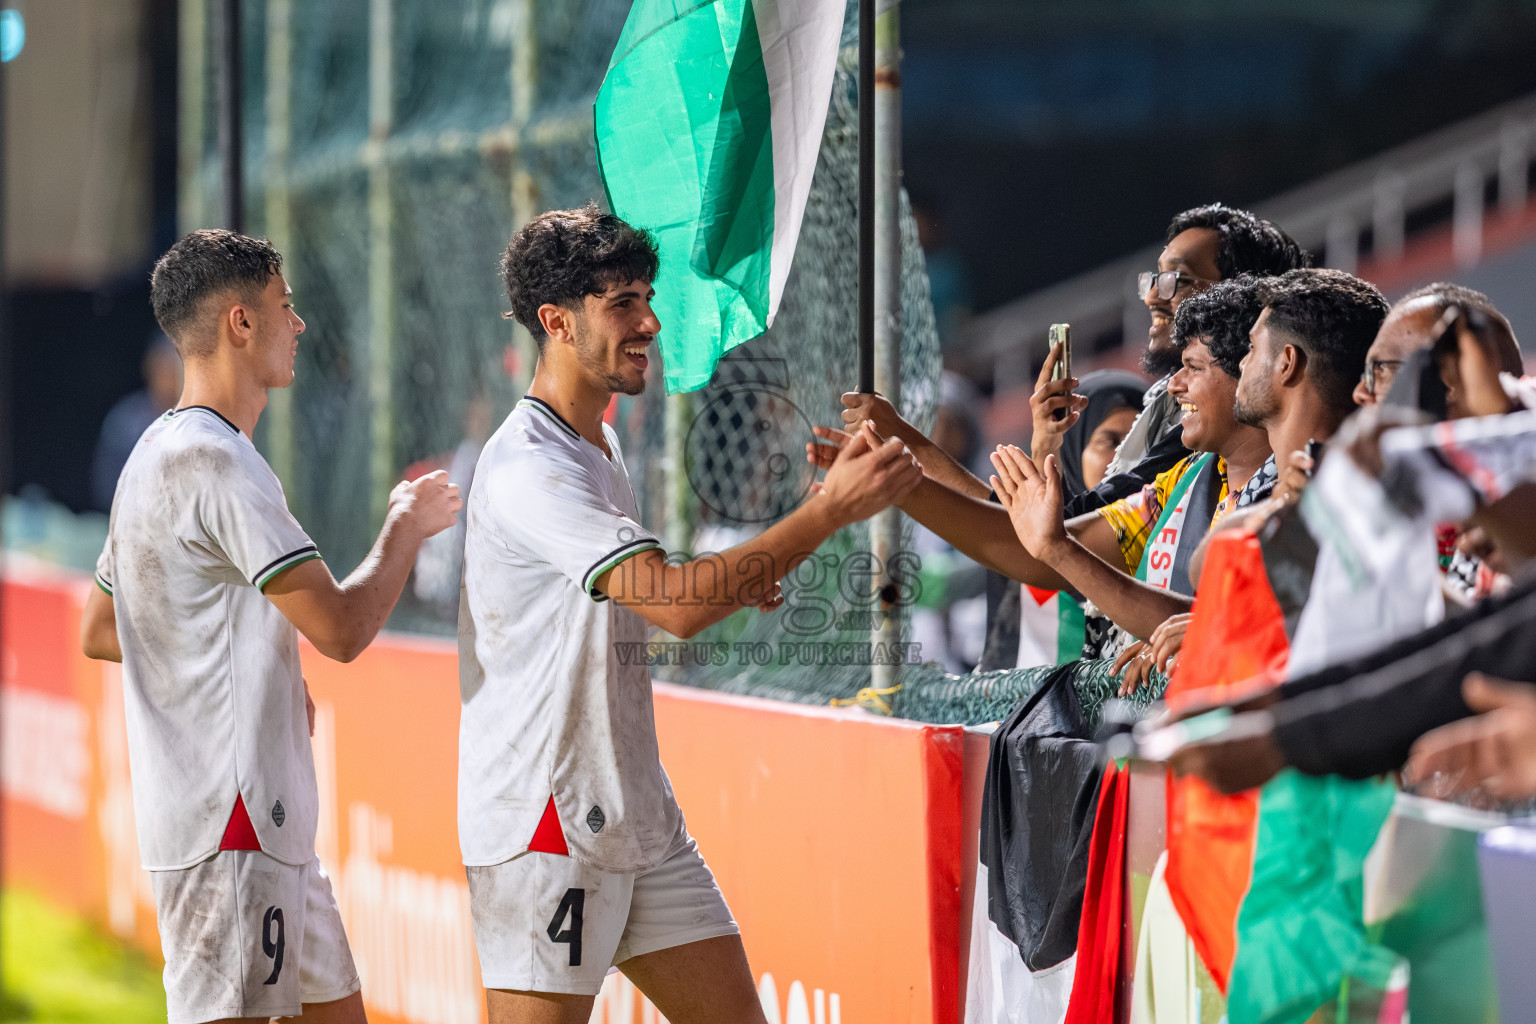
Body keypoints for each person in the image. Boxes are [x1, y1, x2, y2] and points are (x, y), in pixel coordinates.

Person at [460, 204, 921, 1024]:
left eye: (647, 297)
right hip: (546, 826)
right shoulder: (531, 467)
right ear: (556, 323)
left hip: (635, 811)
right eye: (622, 303)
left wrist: (739, 576)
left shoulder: (595, 444)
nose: (650, 322)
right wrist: (828, 510)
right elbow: (675, 605)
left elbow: (638, 598)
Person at [80, 229, 462, 1024]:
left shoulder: (156, 451)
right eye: (285, 306)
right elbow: (343, 629)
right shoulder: (220, 463)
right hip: (234, 827)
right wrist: (406, 522)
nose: (299, 324)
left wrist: (256, 667)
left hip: (252, 827)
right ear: (241, 322)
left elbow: (104, 628)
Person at [830, 204, 1307, 520]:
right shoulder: (1172, 415)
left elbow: (1046, 547)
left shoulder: (1251, 445)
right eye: (1152, 279)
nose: (1151, 297)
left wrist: (901, 455)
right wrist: (1047, 447)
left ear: (1238, 293)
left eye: (1175, 280)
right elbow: (1051, 537)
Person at [979, 369, 1146, 671]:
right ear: (1073, 450)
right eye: (1110, 441)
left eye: (1141, 442)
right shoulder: (1024, 531)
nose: (1127, 456)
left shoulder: (1167, 531)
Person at [90, 332, 183, 512]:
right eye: (163, 369)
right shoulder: (127, 420)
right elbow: (107, 488)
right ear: (149, 366)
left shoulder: (201, 419)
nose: (169, 381)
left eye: (175, 371)